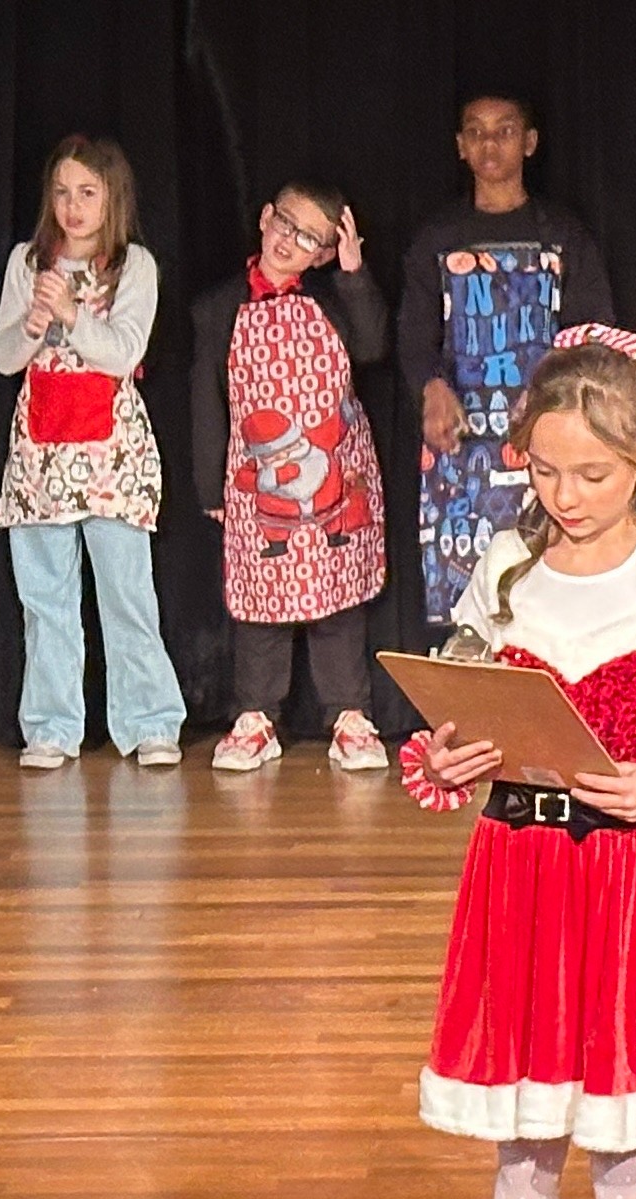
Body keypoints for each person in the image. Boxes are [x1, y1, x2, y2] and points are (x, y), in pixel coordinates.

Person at [397, 333, 636, 1199]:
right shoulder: (505, 571)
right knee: (525, 1137)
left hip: (635, 875)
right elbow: (463, 715)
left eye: (593, 475)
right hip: (522, 870)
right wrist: (449, 760)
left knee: (623, 1138)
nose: (566, 497)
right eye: (547, 471)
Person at [0, 134, 184, 770]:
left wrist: (72, 314)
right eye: (63, 192)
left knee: (127, 596)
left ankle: (150, 722)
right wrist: (32, 325)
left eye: (88, 194)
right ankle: (51, 727)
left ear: (111, 200)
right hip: (41, 459)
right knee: (46, 603)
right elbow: (2, 357)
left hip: (111, 458)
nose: (73, 207)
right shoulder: (27, 262)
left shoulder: (135, 267)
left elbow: (123, 353)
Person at [185, 180, 392, 773]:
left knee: (336, 598)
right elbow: (208, 399)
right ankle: (255, 716)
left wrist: (354, 274)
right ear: (265, 218)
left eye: (308, 238)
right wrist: (209, 485)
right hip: (257, 479)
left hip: (335, 474)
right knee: (261, 600)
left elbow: (374, 346)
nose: (288, 241)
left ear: (324, 252)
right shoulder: (219, 306)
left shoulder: (332, 300)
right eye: (284, 224)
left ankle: (349, 714)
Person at [398, 94, 620, 627]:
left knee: (551, 584)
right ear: (460, 147)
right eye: (475, 131)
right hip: (461, 450)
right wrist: (431, 389)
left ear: (530, 142)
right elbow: (413, 335)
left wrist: (558, 406)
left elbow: (594, 333)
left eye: (504, 130)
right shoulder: (437, 238)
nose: (489, 143)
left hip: (548, 443)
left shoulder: (562, 234)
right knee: (466, 599)